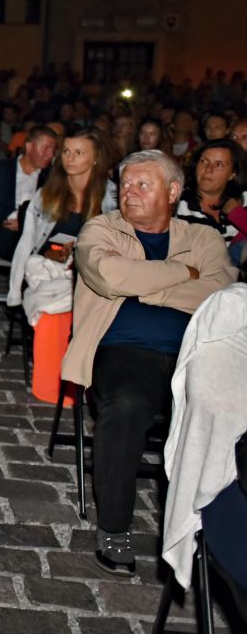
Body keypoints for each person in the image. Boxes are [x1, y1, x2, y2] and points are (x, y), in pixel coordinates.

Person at [62, 149, 236, 576]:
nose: (130, 192)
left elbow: (220, 291)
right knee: (126, 407)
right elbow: (110, 276)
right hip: (122, 351)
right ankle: (114, 527)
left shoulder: (203, 238)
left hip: (197, 351)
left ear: (173, 192)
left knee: (230, 410)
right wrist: (183, 273)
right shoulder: (101, 229)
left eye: (143, 184)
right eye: (125, 184)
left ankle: (220, 531)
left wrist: (143, 283)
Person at [5, 128, 116, 403]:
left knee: (84, 313)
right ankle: (52, 389)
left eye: (79, 153)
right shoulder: (48, 194)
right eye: (66, 151)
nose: (70, 158)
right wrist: (15, 289)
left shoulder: (111, 197)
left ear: (95, 158)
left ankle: (82, 386)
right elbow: (29, 244)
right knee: (50, 311)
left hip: (93, 276)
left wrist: (81, 252)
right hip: (51, 272)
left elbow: (118, 246)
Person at [0, 124, 57, 284]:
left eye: (53, 150)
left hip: (35, 237)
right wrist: (12, 217)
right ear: (29, 147)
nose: (50, 155)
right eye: (45, 149)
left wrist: (27, 222)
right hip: (2, 232)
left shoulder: (51, 178)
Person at [174, 139, 243, 254]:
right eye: (204, 161)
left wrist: (238, 215)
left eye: (219, 164)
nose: (208, 169)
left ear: (232, 174)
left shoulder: (242, 201)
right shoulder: (176, 202)